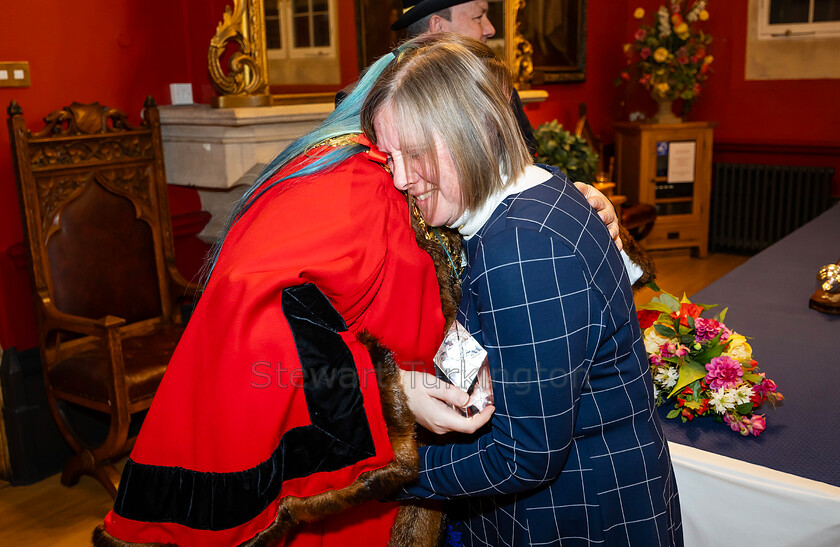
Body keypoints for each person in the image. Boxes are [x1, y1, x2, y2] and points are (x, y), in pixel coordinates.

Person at [92, 35, 622, 547]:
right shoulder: (360, 182)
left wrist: (556, 200)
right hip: (363, 484)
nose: (401, 178)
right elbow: (256, 305)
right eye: (479, 19)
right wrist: (386, 395)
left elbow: (490, 214)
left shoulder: (412, 171)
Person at [361, 37, 683, 546]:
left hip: (576, 520)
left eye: (416, 154)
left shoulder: (524, 247)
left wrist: (377, 476)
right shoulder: (534, 192)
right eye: (391, 158)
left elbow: (523, 454)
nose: (401, 179)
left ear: (476, 133)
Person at [392, 0, 538, 156]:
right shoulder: (392, 99)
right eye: (478, 17)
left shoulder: (496, 88)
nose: (491, 29)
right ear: (438, 26)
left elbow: (525, 158)